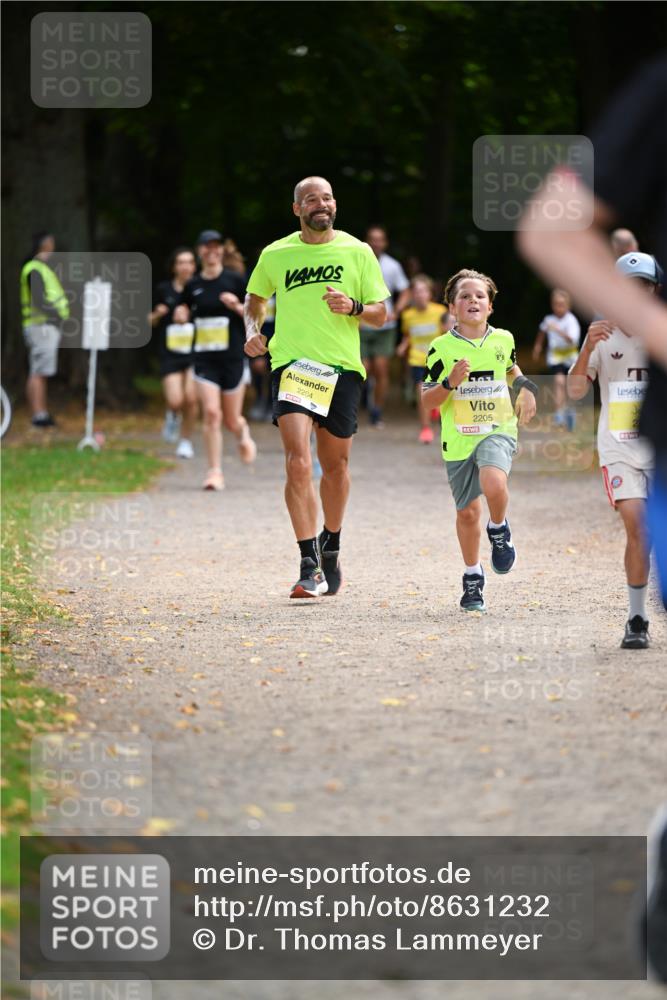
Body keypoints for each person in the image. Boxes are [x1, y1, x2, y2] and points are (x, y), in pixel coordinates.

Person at [244, 175, 389, 598]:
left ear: (335, 205)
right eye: (311, 199)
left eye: (326, 198)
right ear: (297, 209)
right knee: (297, 461)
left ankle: (332, 543)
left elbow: (381, 313)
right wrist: (253, 329)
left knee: (336, 467)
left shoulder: (357, 251)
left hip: (341, 369)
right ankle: (308, 562)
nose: (319, 204)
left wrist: (354, 306)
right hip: (293, 365)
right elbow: (254, 299)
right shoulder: (276, 254)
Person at [421, 268, 537, 612]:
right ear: (452, 308)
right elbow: (427, 400)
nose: (473, 300)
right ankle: (473, 575)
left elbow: (511, 369)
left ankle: (499, 527)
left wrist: (526, 387)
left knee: (493, 480)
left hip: (498, 428)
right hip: (458, 439)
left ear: (490, 307)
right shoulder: (440, 348)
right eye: (465, 296)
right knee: (468, 513)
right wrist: (449, 384)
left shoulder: (504, 339)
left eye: (480, 296)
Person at [567, 252, 661, 649]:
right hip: (619, 449)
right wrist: (586, 349)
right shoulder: (601, 338)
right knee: (638, 528)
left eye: (644, 285)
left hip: (661, 448)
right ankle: (637, 618)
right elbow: (573, 392)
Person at [174, 229, 256, 490]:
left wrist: (235, 307)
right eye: (206, 247)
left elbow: (254, 314)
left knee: (232, 420)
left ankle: (243, 434)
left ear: (221, 250)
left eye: (216, 246)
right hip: (204, 359)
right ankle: (214, 472)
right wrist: (181, 313)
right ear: (200, 252)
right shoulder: (193, 284)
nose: (212, 251)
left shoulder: (235, 279)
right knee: (211, 414)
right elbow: (183, 307)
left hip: (232, 358)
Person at [359, 225, 411, 428]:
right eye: (372, 239)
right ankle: (363, 396)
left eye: (379, 239)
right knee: (362, 369)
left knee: (381, 369)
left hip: (384, 326)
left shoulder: (392, 266)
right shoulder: (357, 260)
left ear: (385, 243)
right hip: (360, 324)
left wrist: (396, 311)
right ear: (367, 241)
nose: (376, 243)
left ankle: (376, 411)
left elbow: (405, 290)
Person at [149, 247, 198, 457]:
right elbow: (147, 321)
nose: (185, 266)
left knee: (191, 398)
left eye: (189, 262)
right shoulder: (162, 289)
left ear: (194, 266)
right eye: (181, 262)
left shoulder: (199, 288)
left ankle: (186, 441)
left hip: (195, 352)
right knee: (175, 400)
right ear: (174, 267)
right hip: (170, 352)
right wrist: (157, 314)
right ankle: (172, 415)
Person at [20, 232, 69, 427]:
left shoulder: (41, 268)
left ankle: (41, 412)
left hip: (42, 327)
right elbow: (39, 299)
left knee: (39, 371)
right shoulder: (35, 269)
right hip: (41, 326)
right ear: (46, 245)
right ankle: (39, 414)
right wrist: (55, 316)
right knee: (39, 372)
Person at [396, 275, 449, 443]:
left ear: (430, 293)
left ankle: (436, 409)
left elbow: (447, 333)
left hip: (438, 359)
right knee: (422, 393)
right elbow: (408, 335)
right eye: (416, 291)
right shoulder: (407, 315)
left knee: (442, 392)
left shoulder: (440, 311)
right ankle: (426, 428)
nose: (420, 294)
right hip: (417, 360)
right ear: (412, 295)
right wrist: (403, 345)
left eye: (423, 291)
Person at [532, 289, 581, 430]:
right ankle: (559, 414)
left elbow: (572, 339)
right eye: (555, 304)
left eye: (561, 304)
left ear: (567, 306)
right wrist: (538, 346)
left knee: (570, 388)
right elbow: (542, 332)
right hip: (556, 358)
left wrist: (557, 329)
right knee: (559, 383)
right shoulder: (549, 320)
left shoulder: (571, 320)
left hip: (571, 358)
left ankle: (570, 413)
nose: (558, 307)